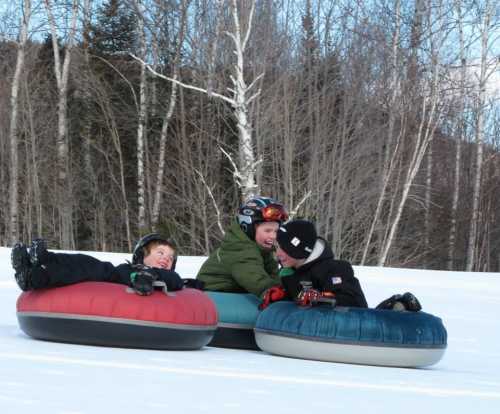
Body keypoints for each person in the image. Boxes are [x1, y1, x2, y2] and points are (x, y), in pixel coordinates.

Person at [263, 219, 421, 312]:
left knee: (371, 317)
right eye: (276, 248)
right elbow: (297, 304)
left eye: (283, 248)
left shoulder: (333, 269)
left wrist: (321, 297)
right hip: (313, 329)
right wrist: (280, 297)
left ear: (297, 248)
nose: (278, 254)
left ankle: (398, 306)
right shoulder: (289, 274)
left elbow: (354, 303)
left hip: (350, 323)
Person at [11, 233, 185, 296]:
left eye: (170, 258)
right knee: (84, 263)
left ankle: (35, 275)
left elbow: (174, 280)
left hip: (121, 280)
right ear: (142, 255)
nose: (166, 259)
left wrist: (150, 275)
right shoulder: (131, 267)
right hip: (118, 275)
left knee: (91, 268)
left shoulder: (168, 276)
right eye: (160, 253)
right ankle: (38, 263)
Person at [197, 196, 288, 299]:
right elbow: (257, 281)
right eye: (267, 231)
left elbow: (273, 276)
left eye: (276, 231)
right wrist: (280, 294)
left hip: (231, 294)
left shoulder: (262, 249)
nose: (273, 236)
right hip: (212, 298)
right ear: (248, 228)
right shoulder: (240, 249)